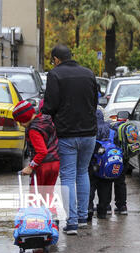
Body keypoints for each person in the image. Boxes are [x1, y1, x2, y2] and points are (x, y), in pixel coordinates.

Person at [42, 44, 98, 235]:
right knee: (83, 173)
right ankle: (83, 217)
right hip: (89, 132)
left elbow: (49, 106)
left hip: (66, 134)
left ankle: (72, 222)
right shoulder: (89, 73)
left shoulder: (55, 75)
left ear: (56, 59)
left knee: (67, 176)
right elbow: (95, 101)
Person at [12, 100, 60, 216]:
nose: (20, 125)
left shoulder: (34, 129)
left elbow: (42, 152)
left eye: (20, 121)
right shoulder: (46, 120)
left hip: (43, 165)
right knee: (49, 193)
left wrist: (30, 166)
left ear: (25, 118)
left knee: (35, 194)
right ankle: (52, 218)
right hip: (55, 162)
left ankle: (35, 219)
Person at [88, 110, 127, 220]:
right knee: (106, 188)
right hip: (107, 166)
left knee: (90, 187)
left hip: (93, 164)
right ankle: (103, 211)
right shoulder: (111, 130)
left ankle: (89, 208)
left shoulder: (90, 129)